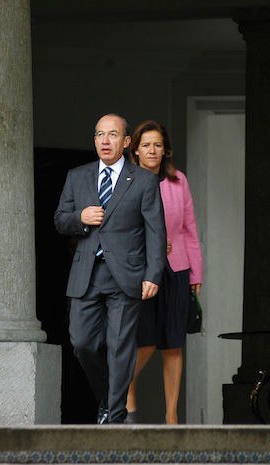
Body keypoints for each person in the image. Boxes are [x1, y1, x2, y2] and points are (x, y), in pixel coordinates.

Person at [54, 113, 167, 424]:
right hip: (86, 274)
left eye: (112, 135)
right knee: (82, 344)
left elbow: (156, 231)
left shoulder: (143, 180)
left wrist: (153, 274)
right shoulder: (77, 176)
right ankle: (110, 398)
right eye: (99, 134)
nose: (105, 140)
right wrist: (80, 218)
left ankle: (114, 416)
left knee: (119, 348)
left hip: (126, 276)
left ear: (126, 141)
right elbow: (60, 220)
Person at [125, 120, 203, 424]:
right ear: (135, 150)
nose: (152, 150)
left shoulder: (178, 180)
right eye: (146, 145)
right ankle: (125, 388)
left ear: (165, 149)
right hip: (142, 270)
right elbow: (122, 228)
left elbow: (189, 229)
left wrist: (196, 274)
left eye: (157, 145)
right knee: (146, 339)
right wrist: (153, 243)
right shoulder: (127, 181)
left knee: (173, 344)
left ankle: (172, 417)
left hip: (177, 269)